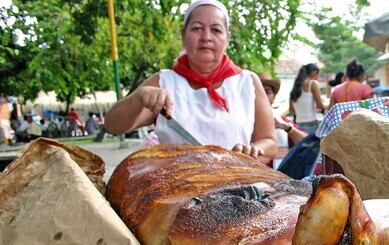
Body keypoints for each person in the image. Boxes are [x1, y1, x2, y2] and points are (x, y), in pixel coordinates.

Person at [105, 0, 276, 164]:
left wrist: (252, 151)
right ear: (183, 35)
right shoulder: (164, 81)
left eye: (216, 30)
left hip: (238, 184)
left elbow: (268, 141)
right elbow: (113, 126)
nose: (206, 37)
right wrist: (139, 97)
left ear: (227, 38)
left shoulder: (247, 82)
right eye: (197, 28)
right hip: (178, 187)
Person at [258, 72, 306, 169]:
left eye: (267, 92)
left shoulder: (282, 121)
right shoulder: (243, 122)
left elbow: (307, 144)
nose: (263, 97)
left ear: (274, 97)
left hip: (279, 177)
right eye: (259, 92)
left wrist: (287, 128)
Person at [289, 63, 324, 137]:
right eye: (318, 75)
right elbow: (320, 106)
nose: (318, 77)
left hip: (298, 125)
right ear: (314, 72)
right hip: (311, 124)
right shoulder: (313, 83)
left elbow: (291, 110)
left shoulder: (295, 87)